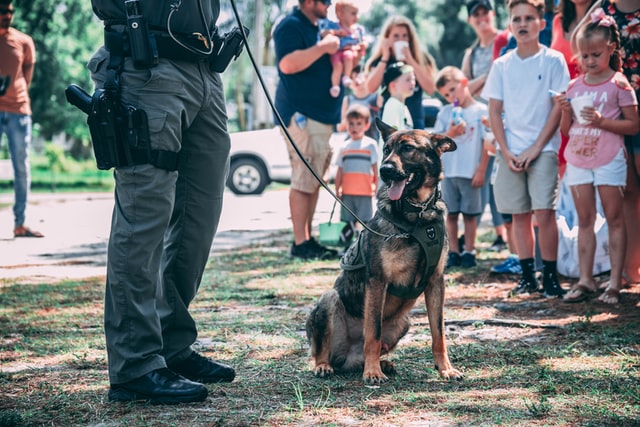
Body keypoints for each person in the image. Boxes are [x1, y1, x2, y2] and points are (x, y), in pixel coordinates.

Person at [89, 0, 235, 404]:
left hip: (204, 66)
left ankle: (170, 344)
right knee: (143, 222)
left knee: (199, 217)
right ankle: (135, 365)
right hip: (146, 65)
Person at [482, 0, 570, 298]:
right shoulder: (502, 65)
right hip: (510, 151)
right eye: (517, 19)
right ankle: (527, 275)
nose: (523, 24)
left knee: (544, 212)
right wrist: (505, 151)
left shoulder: (553, 60)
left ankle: (550, 276)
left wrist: (536, 147)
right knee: (518, 215)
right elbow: (495, 111)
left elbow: (557, 110)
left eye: (529, 18)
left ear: (541, 24)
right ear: (509, 25)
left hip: (542, 149)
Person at [558, 9, 639, 304]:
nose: (589, 61)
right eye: (584, 56)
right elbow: (567, 129)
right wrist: (565, 111)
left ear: (611, 49)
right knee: (584, 220)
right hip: (579, 159)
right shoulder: (574, 86)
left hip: (609, 158)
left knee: (615, 217)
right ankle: (585, 279)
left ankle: (615, 283)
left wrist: (603, 121)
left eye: (595, 55)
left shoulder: (619, 84)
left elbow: (633, 125)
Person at [273, 0, 343, 260]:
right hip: (301, 116)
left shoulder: (317, 27)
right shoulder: (290, 26)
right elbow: (287, 64)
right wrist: (323, 47)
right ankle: (300, 242)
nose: (329, 4)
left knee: (314, 178)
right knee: (304, 178)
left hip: (320, 116)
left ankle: (308, 239)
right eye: (325, 1)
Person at [461, 0, 509, 255]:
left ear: (492, 14)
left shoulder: (504, 40)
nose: (481, 18)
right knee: (481, 177)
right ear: (470, 20)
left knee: (497, 179)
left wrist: (478, 83)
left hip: (501, 117)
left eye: (484, 12)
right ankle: (481, 236)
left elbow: (499, 77)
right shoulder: (471, 53)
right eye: (476, 14)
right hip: (478, 121)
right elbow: (463, 88)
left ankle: (503, 234)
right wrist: (484, 78)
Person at [434, 66, 490, 269]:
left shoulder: (480, 111)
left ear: (464, 83)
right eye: (446, 94)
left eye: (453, 90)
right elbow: (436, 142)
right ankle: (454, 251)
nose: (451, 97)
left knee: (470, 214)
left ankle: (469, 251)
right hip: (450, 172)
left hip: (470, 172)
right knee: (451, 214)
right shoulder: (445, 112)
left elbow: (486, 143)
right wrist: (452, 133)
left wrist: (481, 169)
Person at [0, 0, 43, 239]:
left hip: (18, 111)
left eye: (9, 11)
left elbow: (26, 76)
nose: (7, 15)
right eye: (2, 11)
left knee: (21, 168)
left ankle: (21, 223)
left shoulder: (24, 41)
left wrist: (15, 94)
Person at [364, 15, 436, 129]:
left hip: (415, 120)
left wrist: (411, 61)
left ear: (410, 38)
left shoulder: (421, 59)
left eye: (405, 36)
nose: (401, 40)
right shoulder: (380, 61)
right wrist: (385, 57)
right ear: (387, 38)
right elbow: (370, 88)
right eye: (396, 36)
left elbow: (431, 89)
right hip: (389, 120)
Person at [334, 104, 378, 246]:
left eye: (359, 124)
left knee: (365, 221)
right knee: (348, 221)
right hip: (347, 192)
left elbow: (375, 168)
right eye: (351, 124)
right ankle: (346, 247)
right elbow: (340, 170)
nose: (354, 127)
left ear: (366, 125)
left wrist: (375, 186)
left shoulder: (370, 145)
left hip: (364, 191)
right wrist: (337, 188)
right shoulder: (344, 147)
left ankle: (366, 247)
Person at [319, 0, 366, 98]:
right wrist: (336, 32)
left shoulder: (357, 30)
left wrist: (363, 45)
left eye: (357, 14)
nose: (356, 17)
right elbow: (323, 33)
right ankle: (335, 86)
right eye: (353, 14)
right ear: (340, 14)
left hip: (349, 53)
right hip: (337, 52)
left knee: (349, 57)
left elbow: (363, 41)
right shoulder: (334, 26)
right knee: (338, 66)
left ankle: (347, 77)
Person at [336, 65, 381, 141]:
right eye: (351, 78)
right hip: (352, 141)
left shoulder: (376, 97)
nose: (355, 80)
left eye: (357, 76)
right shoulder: (347, 100)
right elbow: (340, 128)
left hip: (372, 140)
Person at [380, 62, 415, 132]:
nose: (413, 83)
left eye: (413, 79)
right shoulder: (392, 105)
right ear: (393, 85)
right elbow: (393, 136)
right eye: (408, 80)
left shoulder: (402, 106)